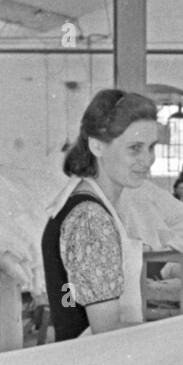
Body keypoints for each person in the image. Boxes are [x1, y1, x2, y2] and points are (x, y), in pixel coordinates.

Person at [42, 89, 160, 341]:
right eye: (135, 148)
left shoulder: (87, 201)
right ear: (97, 145)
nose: (147, 159)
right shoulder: (90, 218)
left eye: (151, 147)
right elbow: (106, 332)